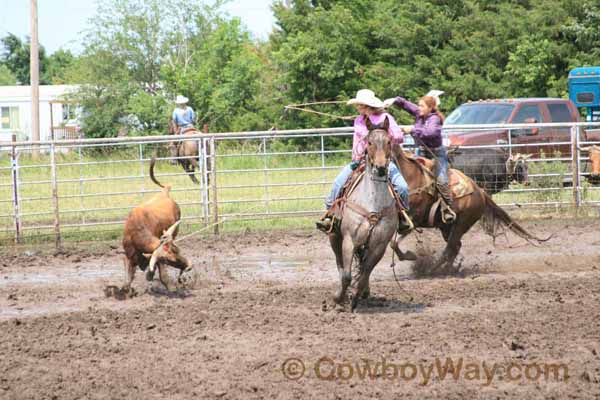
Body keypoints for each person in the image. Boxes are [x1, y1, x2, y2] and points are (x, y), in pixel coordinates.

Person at [317, 89, 412, 233]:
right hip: (361, 160)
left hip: (383, 161)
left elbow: (399, 137)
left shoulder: (386, 118)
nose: (358, 108)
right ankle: (330, 214)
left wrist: (384, 136)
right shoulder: (359, 120)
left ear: (368, 106)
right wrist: (357, 155)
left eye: (360, 105)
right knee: (338, 182)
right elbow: (357, 142)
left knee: (402, 187)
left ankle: (402, 215)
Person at [383, 90, 456, 223]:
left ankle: (447, 208)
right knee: (408, 173)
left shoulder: (435, 119)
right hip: (421, 151)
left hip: (436, 154)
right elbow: (407, 105)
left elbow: (430, 133)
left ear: (430, 108)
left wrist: (412, 129)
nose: (419, 108)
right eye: (419, 105)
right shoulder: (420, 114)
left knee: (441, 180)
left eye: (422, 106)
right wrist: (395, 100)